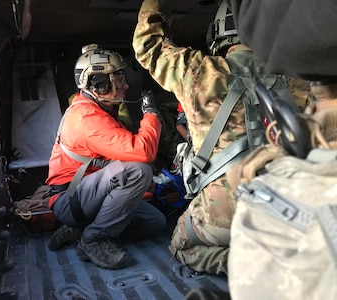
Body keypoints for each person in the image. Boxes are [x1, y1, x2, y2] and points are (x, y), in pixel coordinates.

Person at [132, 0, 309, 275]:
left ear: (217, 33)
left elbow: (148, 44)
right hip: (293, 207)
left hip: (226, 211)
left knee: (181, 245)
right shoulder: (298, 80)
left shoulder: (197, 71)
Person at [45, 44, 166, 270]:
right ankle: (94, 239)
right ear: (98, 84)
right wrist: (151, 114)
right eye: (119, 79)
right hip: (69, 199)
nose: (126, 85)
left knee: (155, 223)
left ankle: (82, 228)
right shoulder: (87, 117)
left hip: (89, 194)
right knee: (139, 170)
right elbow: (142, 151)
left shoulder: (98, 109)